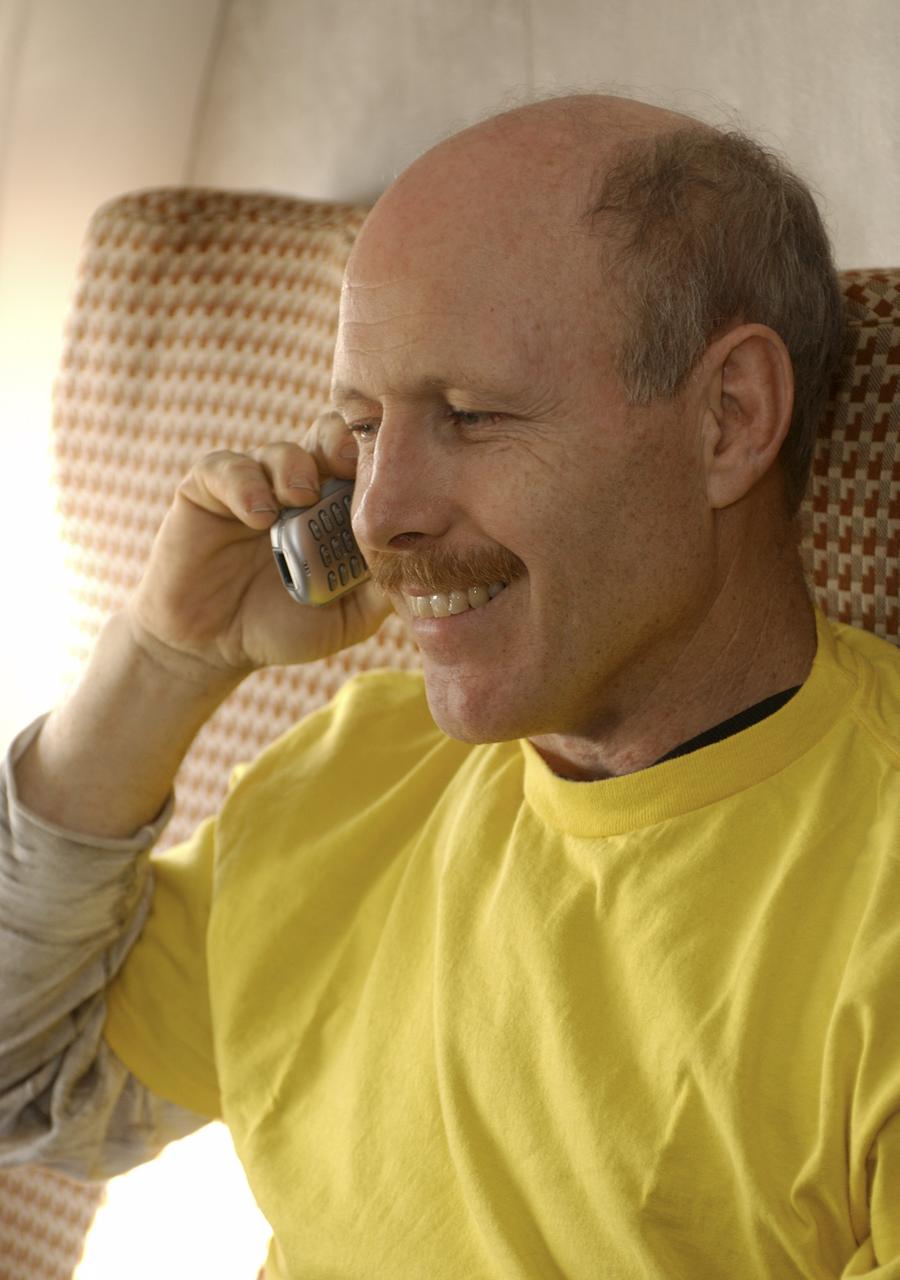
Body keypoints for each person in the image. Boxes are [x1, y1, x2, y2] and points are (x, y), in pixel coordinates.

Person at [1, 92, 898, 1279]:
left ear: (729, 419)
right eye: (364, 427)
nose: (378, 513)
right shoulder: (356, 771)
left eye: (470, 416)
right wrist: (165, 663)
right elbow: (33, 1081)